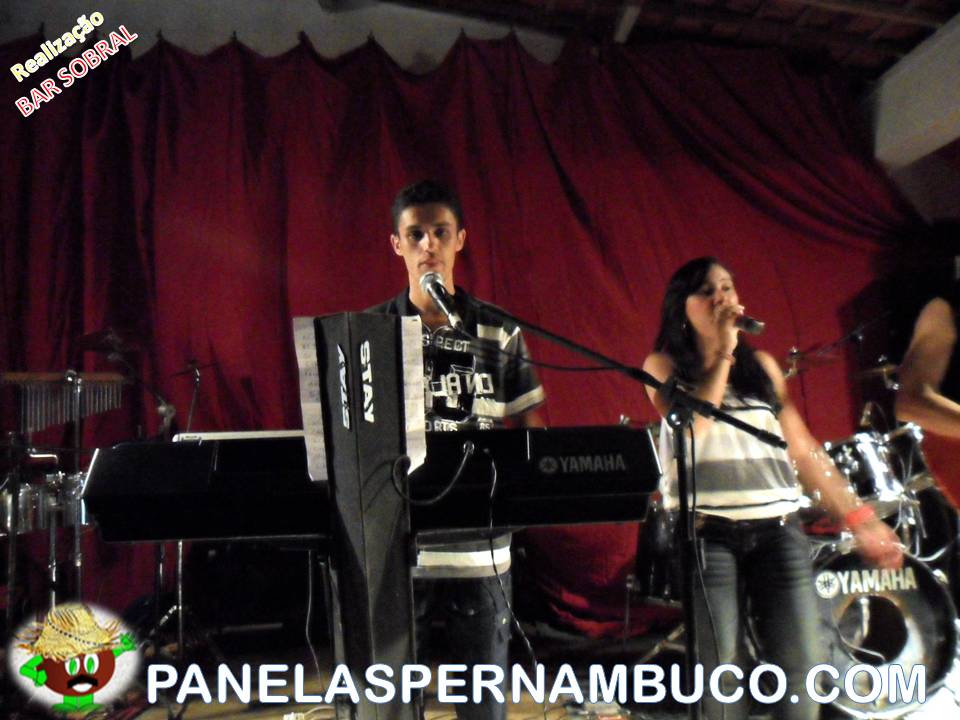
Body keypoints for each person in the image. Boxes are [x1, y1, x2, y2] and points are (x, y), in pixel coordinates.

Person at [641, 257, 901, 720]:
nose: (721, 298)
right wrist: (723, 352)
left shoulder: (760, 367)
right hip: (707, 535)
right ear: (681, 307)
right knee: (720, 675)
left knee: (801, 667)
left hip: (777, 529)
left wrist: (859, 516)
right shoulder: (662, 365)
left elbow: (802, 448)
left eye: (727, 287)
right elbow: (693, 427)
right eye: (706, 290)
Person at [368, 179, 545, 720]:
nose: (429, 245)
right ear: (397, 244)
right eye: (415, 234)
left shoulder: (498, 330)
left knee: (483, 703)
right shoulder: (372, 333)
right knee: (393, 705)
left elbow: (530, 427)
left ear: (460, 239)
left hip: (480, 550)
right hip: (399, 552)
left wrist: (517, 498)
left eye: (440, 232)